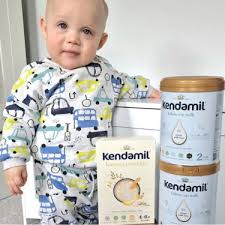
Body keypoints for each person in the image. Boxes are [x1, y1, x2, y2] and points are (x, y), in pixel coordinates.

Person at [0, 0, 160, 224]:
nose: (73, 38)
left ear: (101, 41)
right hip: (54, 178)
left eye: (86, 31)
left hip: (100, 175)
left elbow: (126, 83)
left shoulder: (104, 73)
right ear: (45, 28)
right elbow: (18, 116)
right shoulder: (36, 75)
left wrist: (149, 89)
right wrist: (14, 160)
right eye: (63, 25)